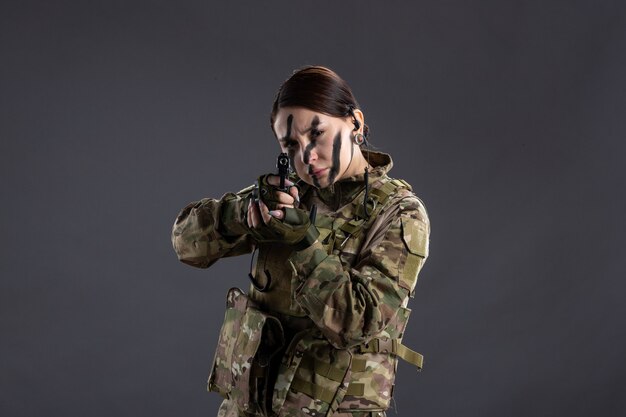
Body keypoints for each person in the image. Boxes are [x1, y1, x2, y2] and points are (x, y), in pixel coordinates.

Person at [171, 66, 430, 417]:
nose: (307, 156)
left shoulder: (399, 214)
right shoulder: (288, 194)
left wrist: (304, 243)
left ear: (355, 122)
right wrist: (241, 213)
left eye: (317, 134)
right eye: (291, 144)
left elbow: (359, 322)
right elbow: (185, 243)